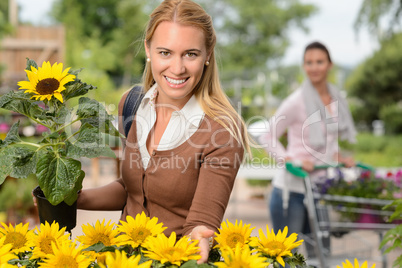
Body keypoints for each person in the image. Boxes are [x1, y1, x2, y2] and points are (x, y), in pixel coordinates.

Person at [75, 0, 250, 264]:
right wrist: (76, 199)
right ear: (148, 50)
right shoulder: (132, 104)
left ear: (208, 54)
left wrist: (201, 236)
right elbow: (133, 190)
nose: (177, 68)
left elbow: (202, 220)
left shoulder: (222, 130)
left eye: (190, 54)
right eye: (165, 52)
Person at [259, 41, 356, 260]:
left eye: (319, 61)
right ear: (303, 66)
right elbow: (267, 135)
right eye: (308, 62)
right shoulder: (295, 101)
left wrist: (337, 157)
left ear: (329, 65)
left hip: (320, 190)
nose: (314, 67)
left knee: (321, 255)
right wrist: (290, 159)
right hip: (291, 191)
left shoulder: (337, 100)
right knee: (286, 258)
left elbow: (328, 142)